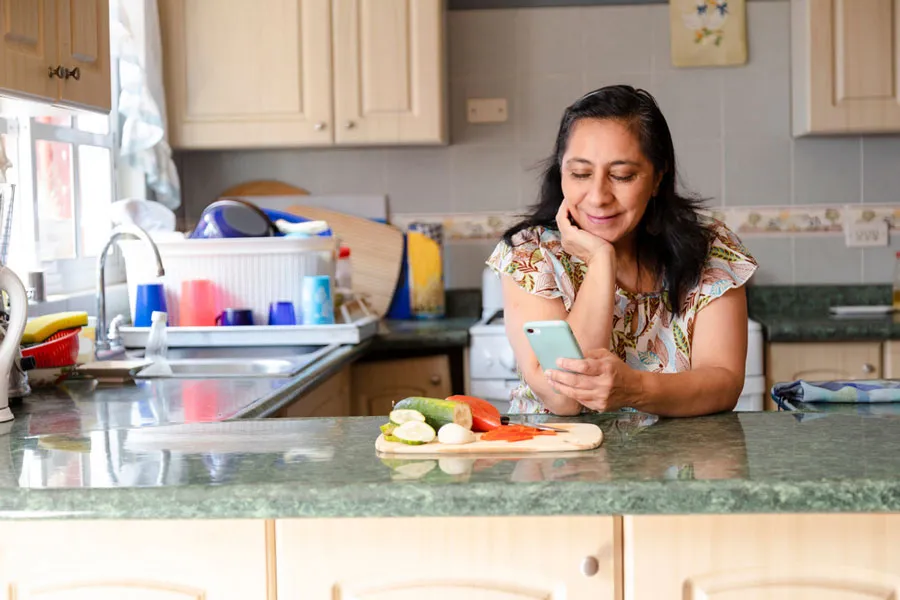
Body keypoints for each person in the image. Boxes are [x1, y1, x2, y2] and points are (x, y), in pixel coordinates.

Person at [486, 85, 758, 417]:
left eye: (622, 176)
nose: (598, 196)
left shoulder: (712, 251)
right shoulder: (530, 255)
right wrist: (601, 262)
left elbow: (724, 383)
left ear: (658, 177)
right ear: (561, 174)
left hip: (681, 462)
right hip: (560, 463)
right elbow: (567, 399)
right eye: (581, 174)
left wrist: (634, 389)